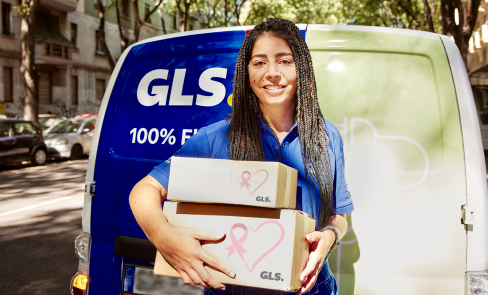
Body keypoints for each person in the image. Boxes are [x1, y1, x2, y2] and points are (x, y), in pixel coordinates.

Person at [129, 18, 353, 295]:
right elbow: (144, 190)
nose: (272, 72)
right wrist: (162, 235)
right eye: (259, 63)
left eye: (284, 61)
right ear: (247, 75)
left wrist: (329, 237)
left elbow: (338, 215)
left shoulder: (327, 137)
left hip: (313, 288)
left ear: (302, 69)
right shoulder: (217, 137)